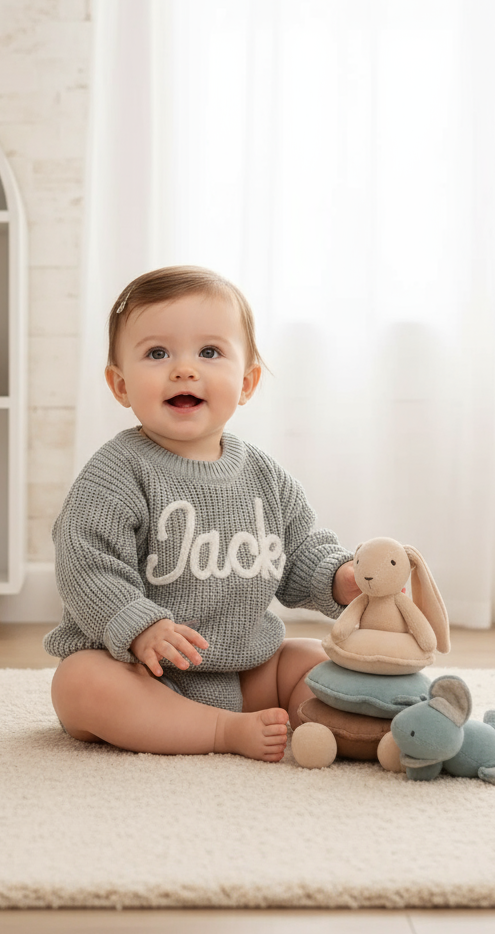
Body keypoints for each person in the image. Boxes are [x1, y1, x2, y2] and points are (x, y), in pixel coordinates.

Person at [44, 265, 361, 762]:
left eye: (209, 352)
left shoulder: (264, 475)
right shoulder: (116, 472)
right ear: (120, 384)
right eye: (157, 353)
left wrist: (343, 579)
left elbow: (300, 554)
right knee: (79, 682)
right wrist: (138, 625)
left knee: (315, 660)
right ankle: (219, 731)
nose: (184, 369)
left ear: (248, 381)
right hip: (140, 674)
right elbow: (86, 564)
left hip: (242, 671)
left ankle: (351, 726)